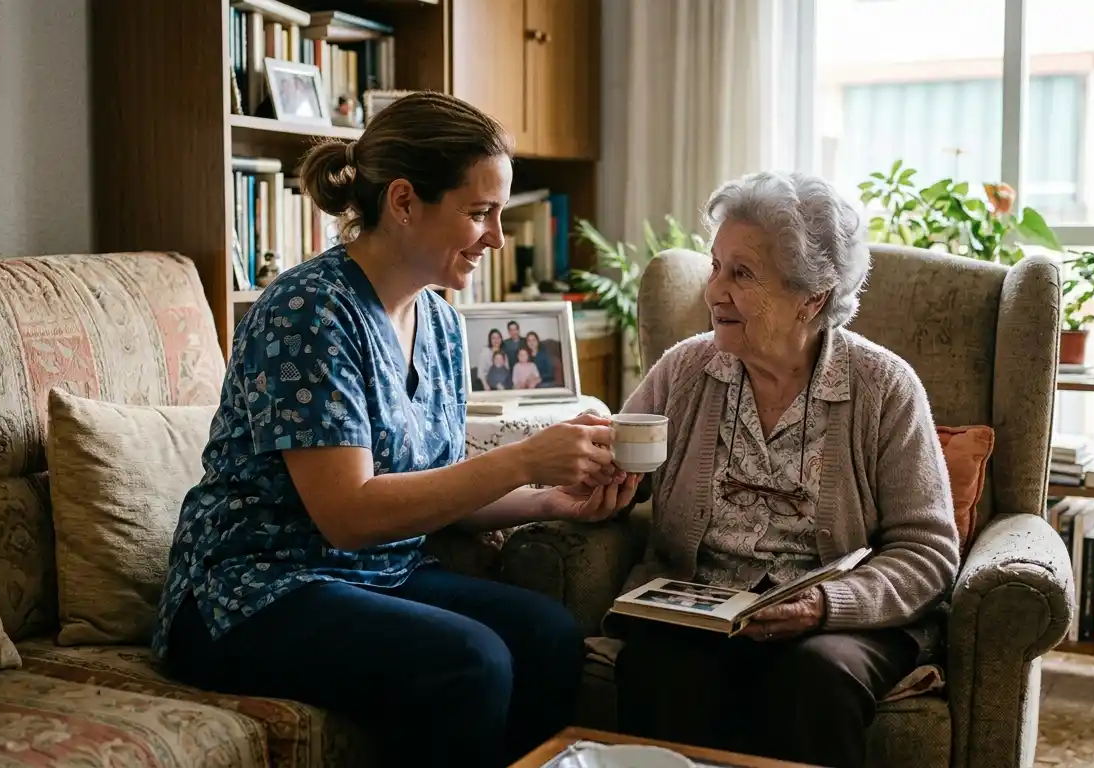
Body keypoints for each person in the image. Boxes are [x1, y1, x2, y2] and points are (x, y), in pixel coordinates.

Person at [152, 91, 643, 768]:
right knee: (471, 663)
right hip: (253, 590)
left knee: (549, 635)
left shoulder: (440, 323)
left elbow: (427, 485)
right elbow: (349, 515)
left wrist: (548, 500)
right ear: (405, 202)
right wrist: (526, 460)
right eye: (480, 213)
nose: (497, 238)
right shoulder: (308, 311)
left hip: (374, 574)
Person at [612, 171, 961, 768]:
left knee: (817, 679)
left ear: (813, 297)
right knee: (659, 665)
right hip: (700, 611)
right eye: (715, 265)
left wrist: (826, 605)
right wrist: (598, 476)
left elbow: (928, 553)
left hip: (838, 623)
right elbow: (617, 471)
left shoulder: (884, 389)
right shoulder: (684, 371)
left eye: (741, 274)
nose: (713, 291)